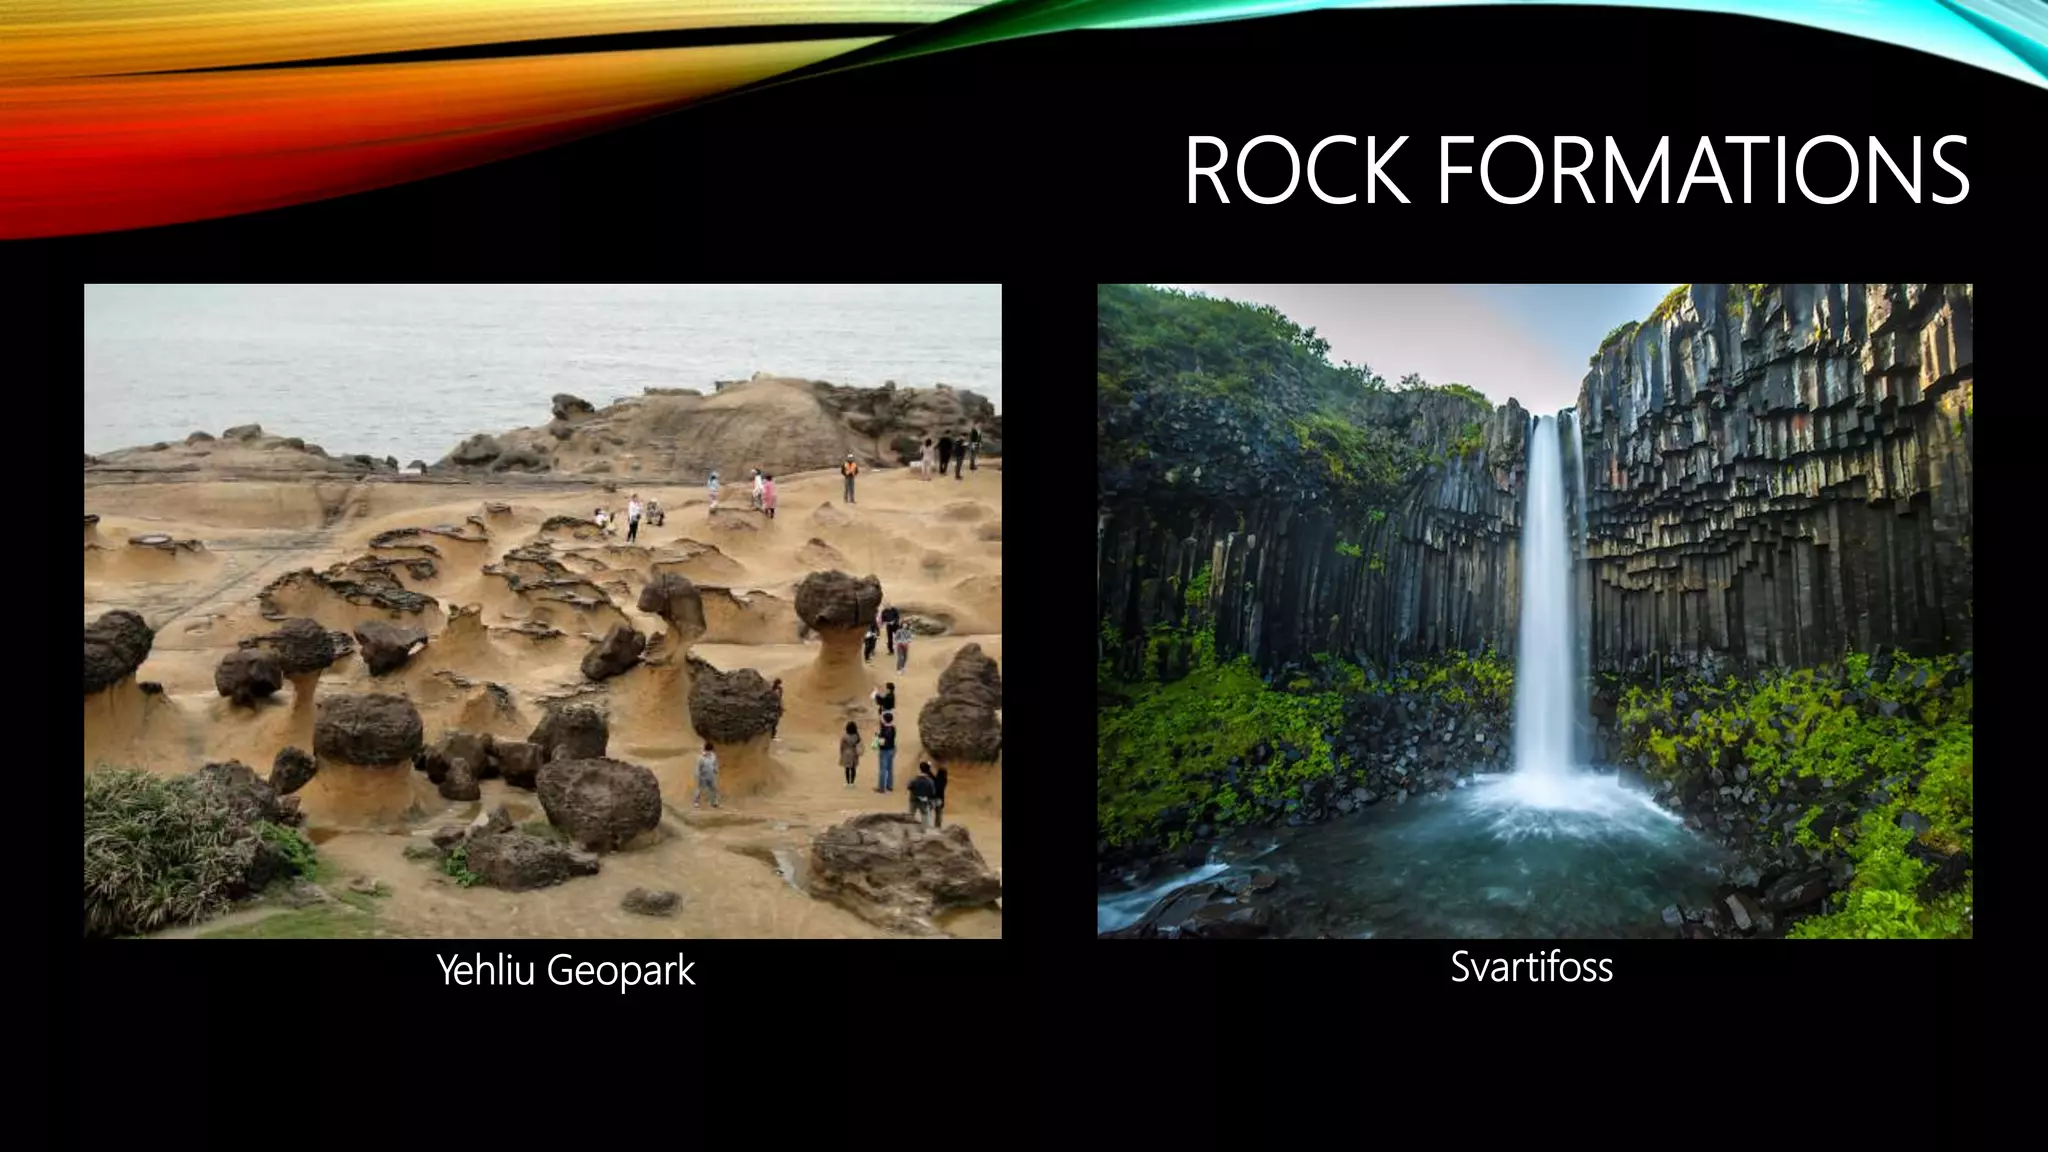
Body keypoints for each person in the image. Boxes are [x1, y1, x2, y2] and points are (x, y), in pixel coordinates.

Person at [693, 740, 721, 808]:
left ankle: (714, 802)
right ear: (706, 750)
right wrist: (697, 775)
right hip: (703, 775)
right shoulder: (701, 757)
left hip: (711, 775)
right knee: (699, 789)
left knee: (713, 788)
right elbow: (698, 767)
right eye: (708, 750)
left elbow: (715, 764)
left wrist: (716, 769)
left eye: (710, 750)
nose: (709, 752)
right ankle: (696, 802)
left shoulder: (713, 755)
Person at [874, 711, 897, 792]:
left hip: (884, 751)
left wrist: (877, 736)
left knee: (882, 769)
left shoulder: (884, 729)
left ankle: (881, 788)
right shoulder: (893, 728)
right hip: (892, 749)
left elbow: (881, 741)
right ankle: (889, 786)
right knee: (890, 769)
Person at [838, 721, 861, 788]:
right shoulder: (857, 736)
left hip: (846, 754)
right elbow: (859, 744)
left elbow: (841, 746)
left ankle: (848, 783)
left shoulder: (845, 736)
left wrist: (841, 753)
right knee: (853, 769)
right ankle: (852, 783)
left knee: (847, 769)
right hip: (854, 753)